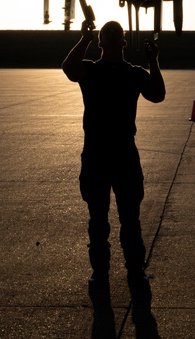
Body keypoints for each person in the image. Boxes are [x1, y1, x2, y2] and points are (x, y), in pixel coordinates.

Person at [62, 19, 165, 311]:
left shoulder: (91, 71)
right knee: (129, 219)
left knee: (98, 220)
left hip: (96, 154)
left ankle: (100, 274)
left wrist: (83, 39)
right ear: (123, 43)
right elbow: (157, 94)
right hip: (123, 154)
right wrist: (153, 61)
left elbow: (68, 68)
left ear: (100, 43)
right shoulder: (133, 74)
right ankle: (135, 272)